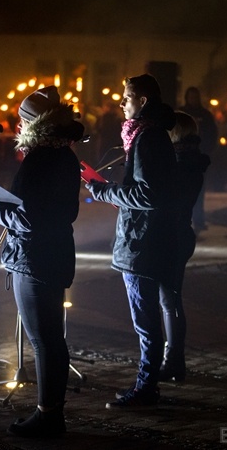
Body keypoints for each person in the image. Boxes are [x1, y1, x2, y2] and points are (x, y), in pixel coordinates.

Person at [0, 85, 84, 437]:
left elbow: (30, 218)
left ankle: (48, 416)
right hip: (53, 254)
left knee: (45, 340)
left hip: (35, 258)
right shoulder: (64, 154)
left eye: (21, 120)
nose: (18, 127)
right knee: (52, 338)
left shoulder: (40, 159)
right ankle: (52, 412)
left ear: (33, 123)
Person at [85, 74, 178, 408]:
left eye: (126, 97)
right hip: (146, 238)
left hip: (141, 243)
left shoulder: (147, 138)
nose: (120, 103)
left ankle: (146, 388)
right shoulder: (149, 136)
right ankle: (149, 382)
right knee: (148, 318)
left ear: (143, 102)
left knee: (145, 320)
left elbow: (147, 193)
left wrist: (102, 190)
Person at [159, 111, 210, 382]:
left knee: (170, 301)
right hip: (180, 233)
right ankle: (173, 359)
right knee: (170, 300)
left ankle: (173, 360)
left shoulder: (182, 163)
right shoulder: (189, 159)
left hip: (173, 235)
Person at [178, 87, 216, 233]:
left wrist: (206, 152)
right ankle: (182, 219)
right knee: (182, 191)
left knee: (199, 191)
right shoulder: (181, 113)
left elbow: (212, 135)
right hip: (182, 159)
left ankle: (199, 221)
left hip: (198, 158)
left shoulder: (205, 115)